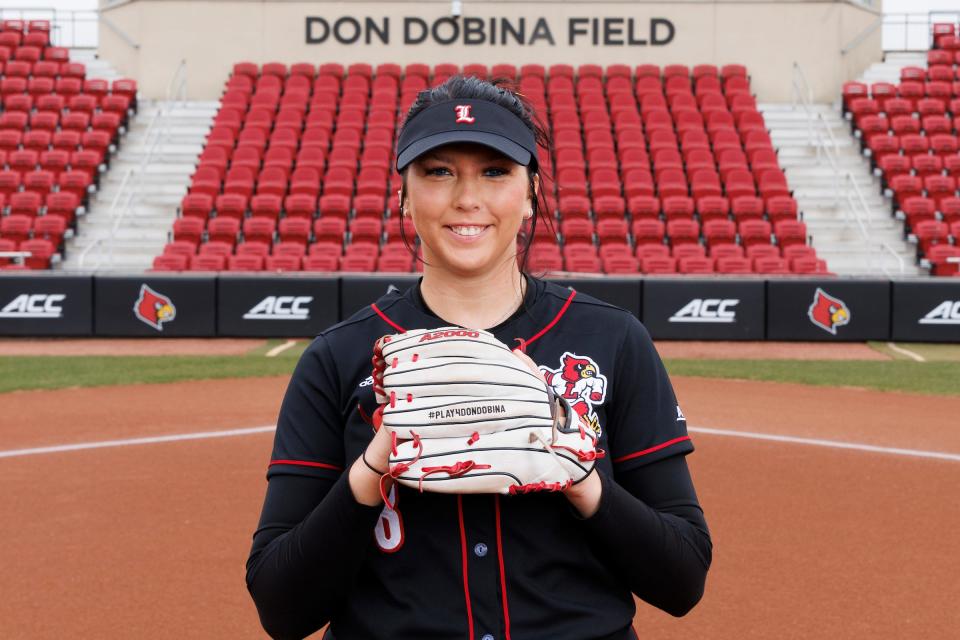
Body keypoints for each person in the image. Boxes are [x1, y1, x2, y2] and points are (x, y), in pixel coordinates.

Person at [246, 75, 712, 640]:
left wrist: (580, 476)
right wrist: (373, 469)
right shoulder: (340, 356)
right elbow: (282, 608)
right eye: (438, 172)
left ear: (532, 191)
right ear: (403, 193)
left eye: (495, 172)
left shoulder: (611, 339)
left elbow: (682, 580)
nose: (467, 198)